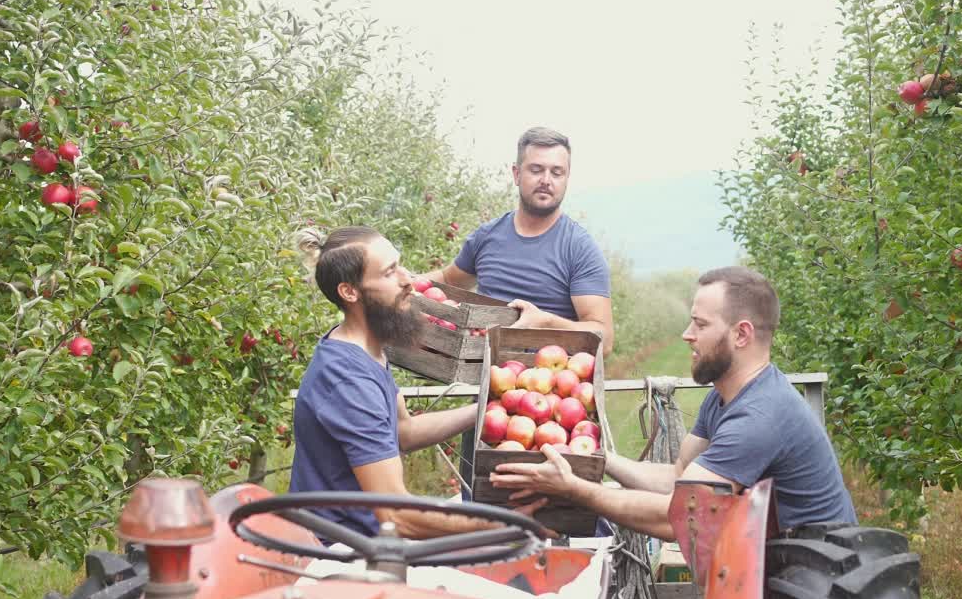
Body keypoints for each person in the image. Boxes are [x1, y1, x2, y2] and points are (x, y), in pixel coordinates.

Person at [490, 266, 857, 538]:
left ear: (741, 334)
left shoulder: (760, 415)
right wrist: (593, 461)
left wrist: (577, 489)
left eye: (700, 324)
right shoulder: (726, 398)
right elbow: (678, 476)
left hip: (818, 577)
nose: (687, 335)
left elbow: (680, 515)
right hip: (779, 566)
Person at [290, 226, 546, 539]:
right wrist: (501, 525)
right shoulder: (347, 379)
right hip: (342, 553)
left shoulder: (366, 349)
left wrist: (492, 406)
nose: (408, 280)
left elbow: (403, 432)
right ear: (350, 292)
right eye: (389, 273)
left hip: (370, 537)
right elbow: (397, 517)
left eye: (400, 265)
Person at [424, 127, 615, 355]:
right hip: (485, 382)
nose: (546, 180)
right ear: (516, 174)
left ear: (566, 179)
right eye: (536, 170)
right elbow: (448, 279)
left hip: (549, 385)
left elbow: (605, 341)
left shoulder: (579, 248)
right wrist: (404, 280)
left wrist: (547, 324)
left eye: (557, 172)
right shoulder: (487, 237)